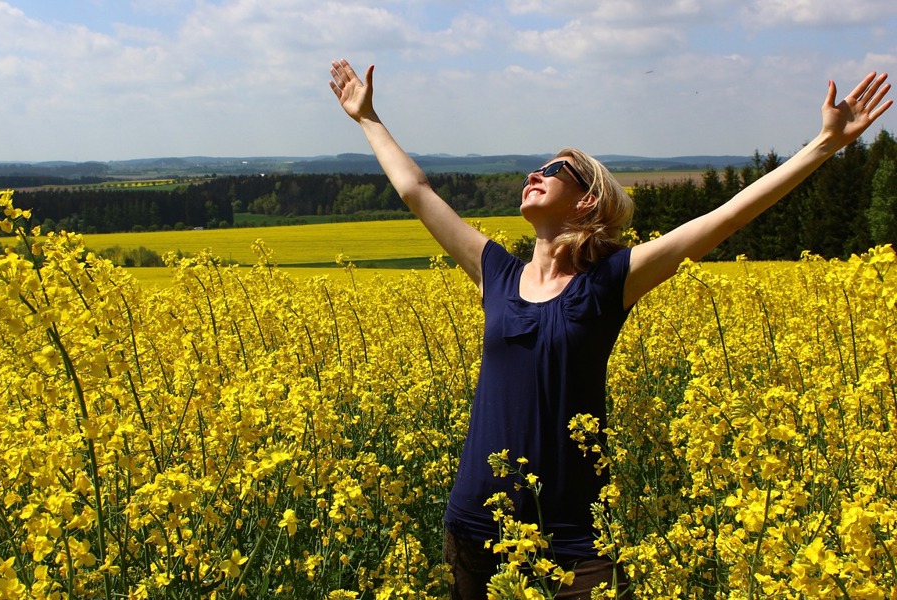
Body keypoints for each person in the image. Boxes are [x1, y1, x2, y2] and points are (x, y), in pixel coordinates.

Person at [329, 58, 892, 599]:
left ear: (588, 199)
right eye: (536, 168)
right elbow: (417, 192)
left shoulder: (608, 283)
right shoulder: (495, 273)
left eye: (554, 171)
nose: (535, 174)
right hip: (477, 527)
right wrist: (368, 118)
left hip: (574, 538)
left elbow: (725, 218)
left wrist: (824, 146)